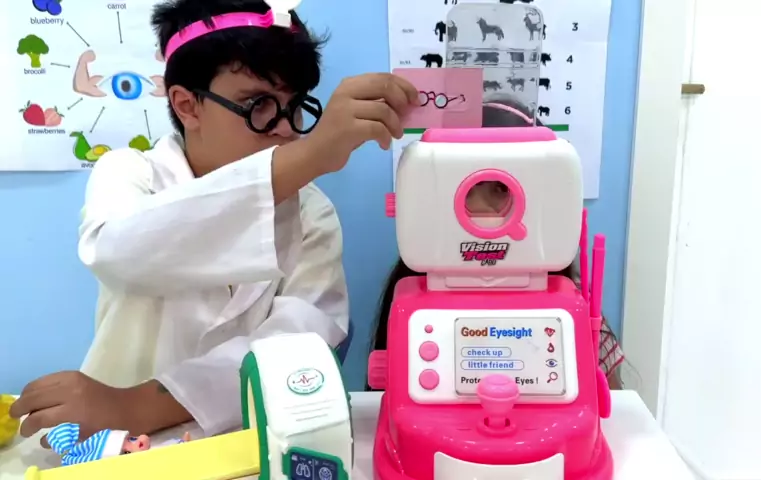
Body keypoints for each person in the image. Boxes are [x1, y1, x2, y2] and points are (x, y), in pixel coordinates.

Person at [10, 0, 418, 444]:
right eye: (258, 104)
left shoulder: (311, 211)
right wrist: (312, 155)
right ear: (187, 106)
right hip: (113, 439)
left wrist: (139, 405)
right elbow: (117, 253)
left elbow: (300, 346)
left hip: (244, 441)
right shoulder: (131, 172)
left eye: (295, 105)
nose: (285, 128)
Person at [368, 100, 625, 389]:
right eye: (467, 190)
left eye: (501, 189)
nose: (481, 209)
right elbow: (388, 399)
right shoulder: (409, 301)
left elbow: (612, 403)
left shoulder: (577, 310)